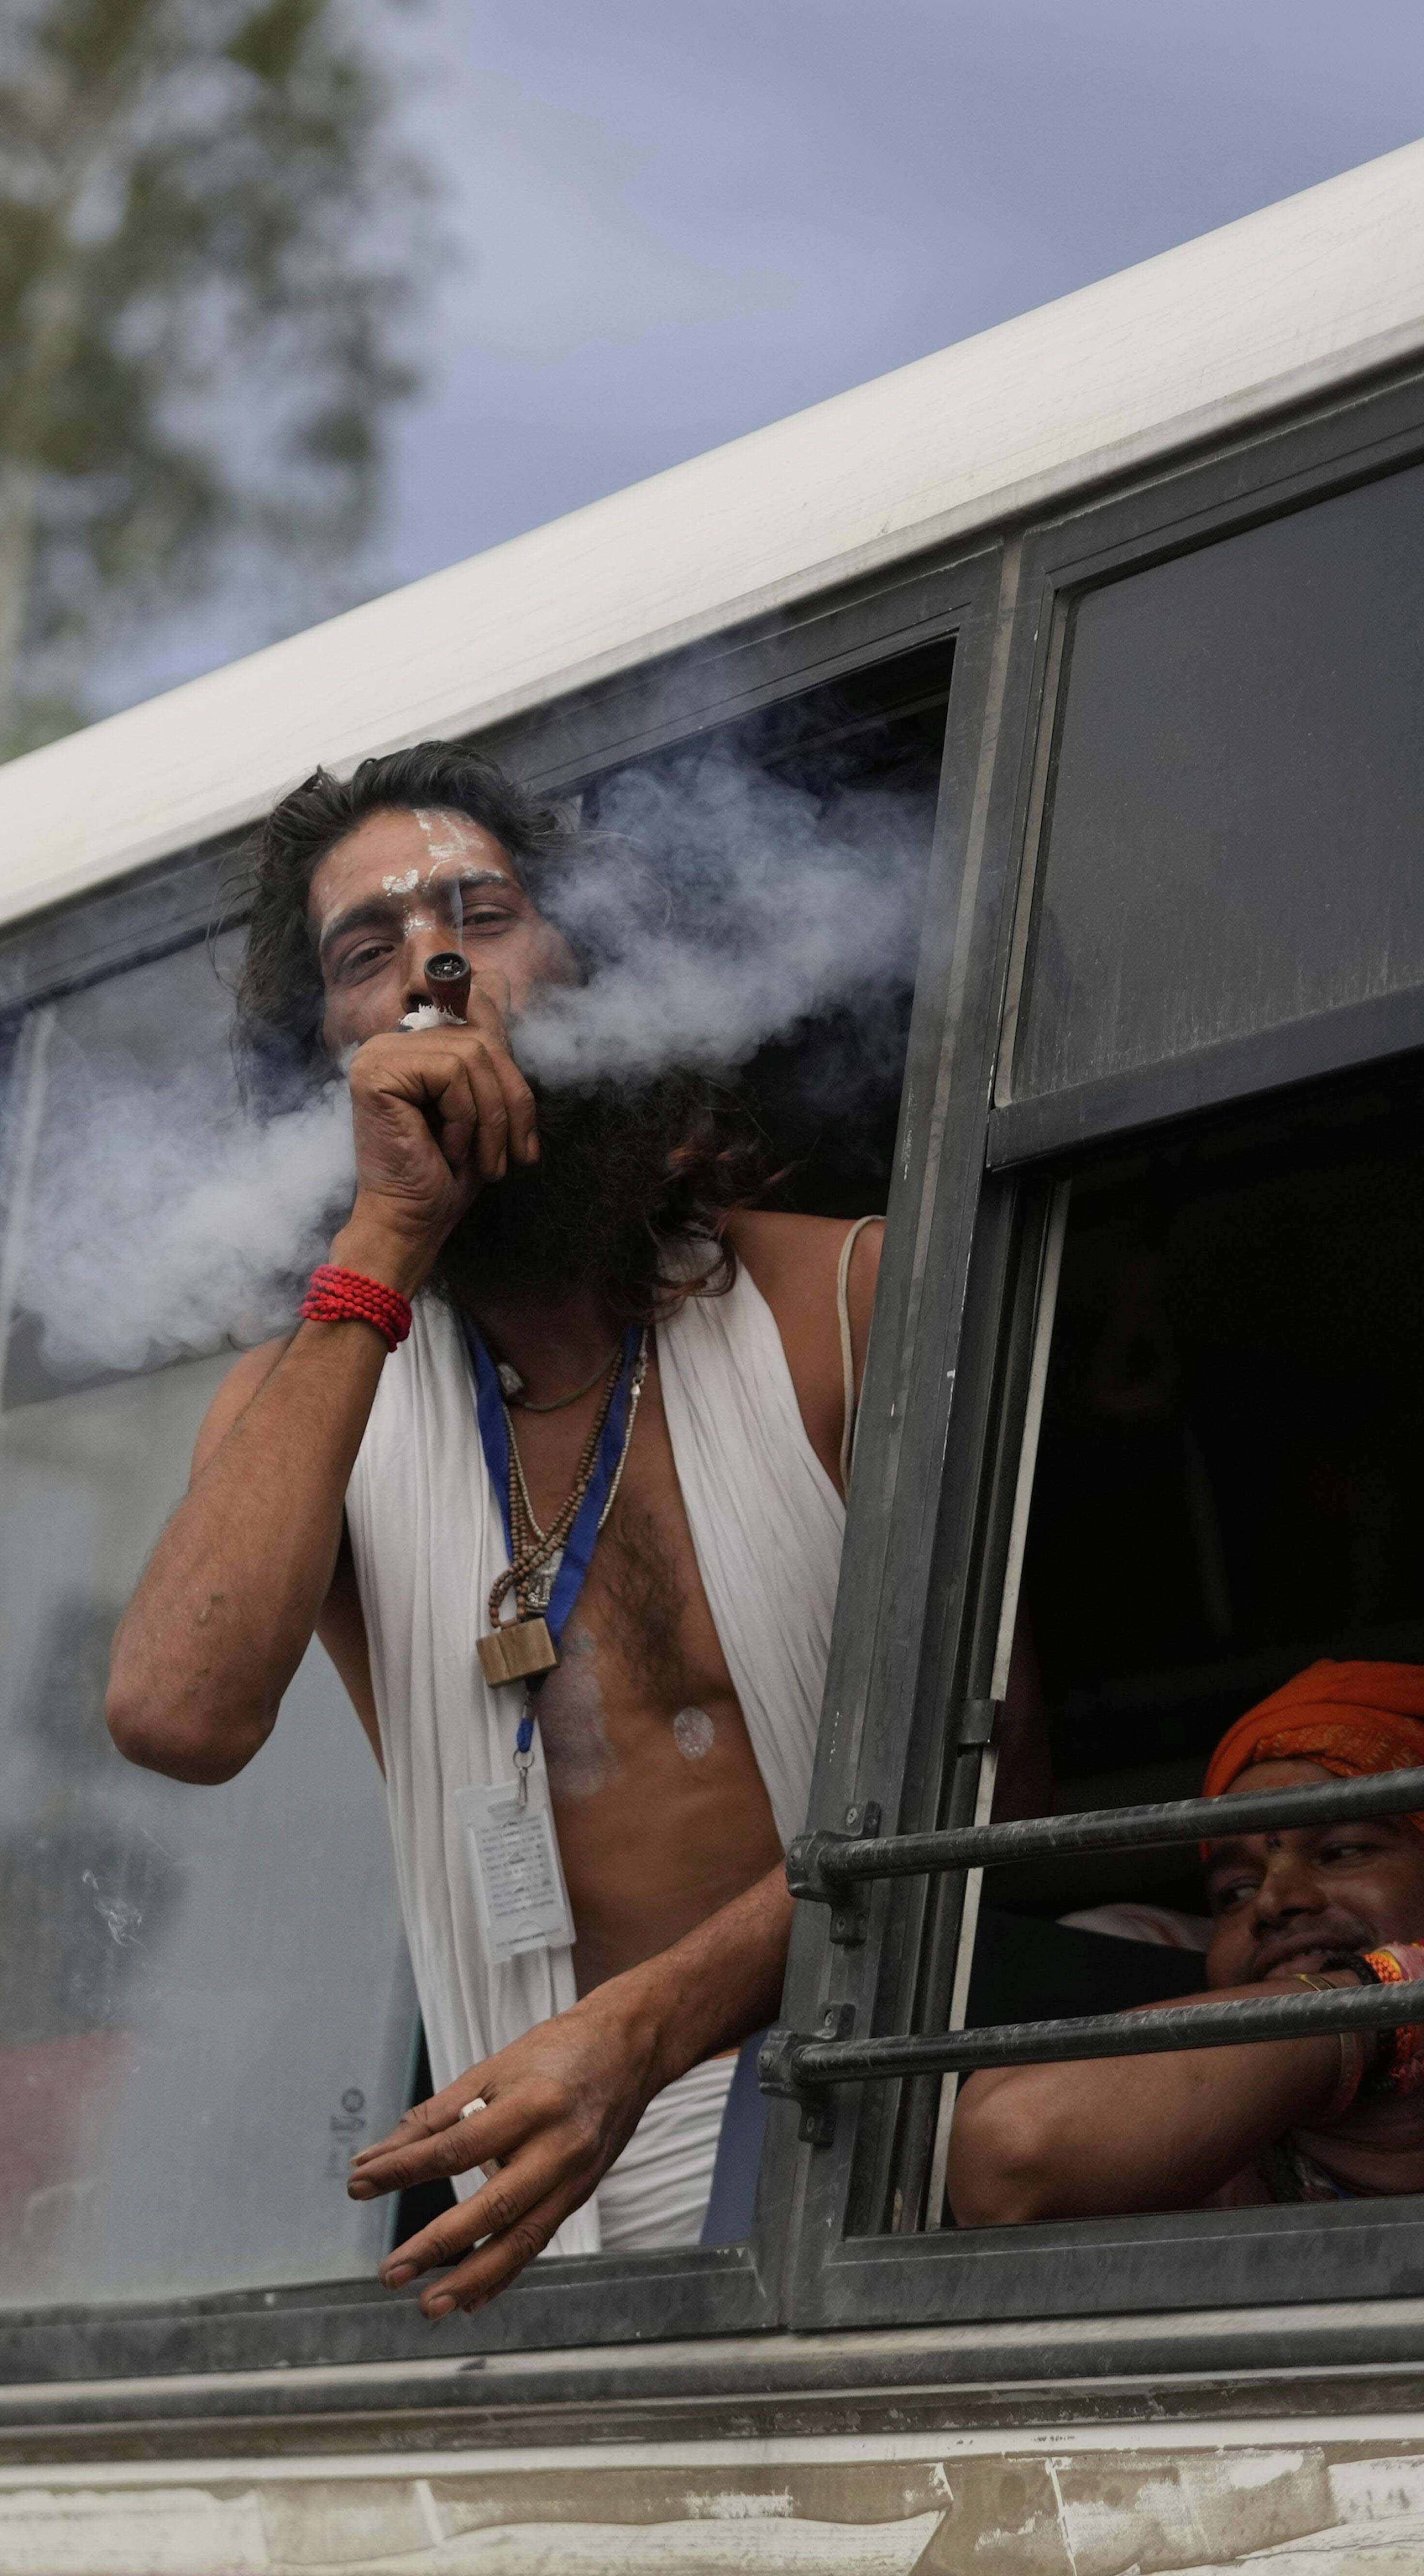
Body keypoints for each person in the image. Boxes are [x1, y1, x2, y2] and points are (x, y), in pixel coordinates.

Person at [107, 744, 882, 2314]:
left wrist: (646, 2033)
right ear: (326, 1064)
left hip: (859, 2151)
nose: (434, 973)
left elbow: (983, 1793)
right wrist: (389, 1231)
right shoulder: (309, 1401)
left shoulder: (841, 1300)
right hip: (535, 2222)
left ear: (593, 968)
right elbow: (176, 1714)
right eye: (367, 954)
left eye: (483, 916)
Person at [946, 1597, 1424, 2224]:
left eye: (1342, 1851)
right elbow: (1014, 2148)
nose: (1274, 1901)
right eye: (1233, 1891)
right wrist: (1408, 1991)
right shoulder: (1217, 2168)